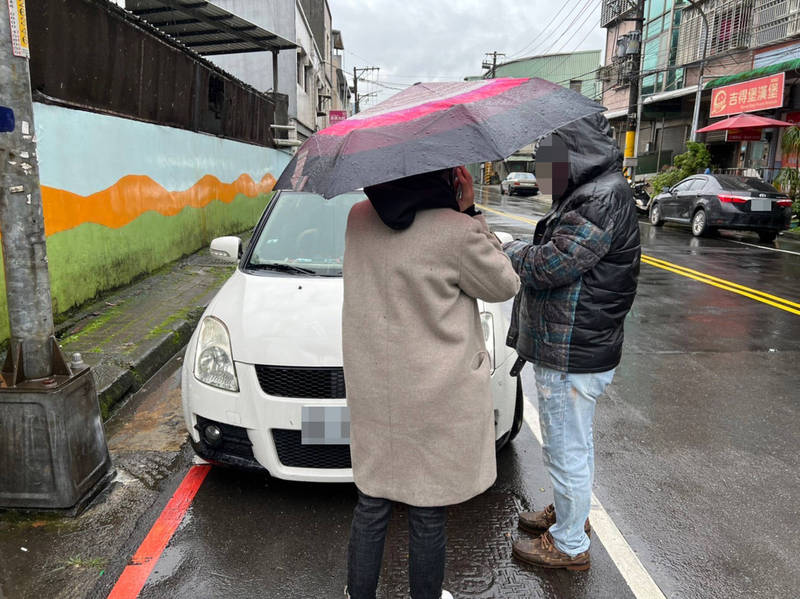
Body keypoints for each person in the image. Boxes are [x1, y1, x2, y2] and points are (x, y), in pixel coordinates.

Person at [342, 166, 520, 599]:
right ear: (445, 176)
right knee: (427, 509)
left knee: (372, 501)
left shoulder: (358, 219)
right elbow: (505, 283)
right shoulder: (456, 232)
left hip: (375, 389)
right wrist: (471, 210)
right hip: (434, 394)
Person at [504, 114, 641, 571]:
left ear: (572, 155)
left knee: (566, 449)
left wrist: (509, 250)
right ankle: (569, 515)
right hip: (577, 347)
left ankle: (568, 545)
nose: (544, 173)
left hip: (573, 352)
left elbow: (550, 265)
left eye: (550, 160)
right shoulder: (593, 191)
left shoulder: (599, 197)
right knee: (573, 445)